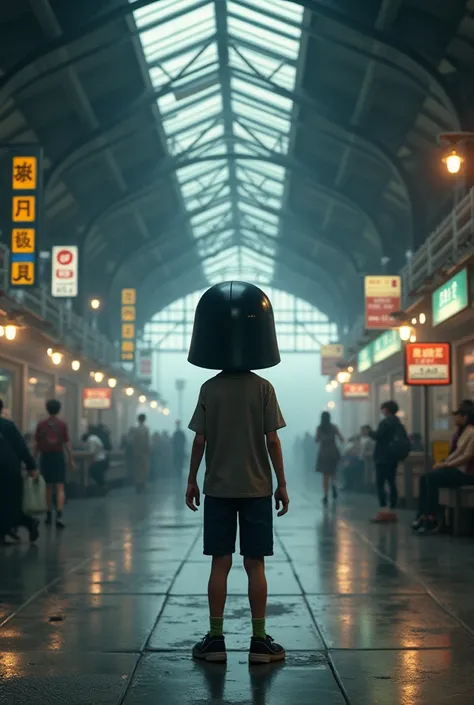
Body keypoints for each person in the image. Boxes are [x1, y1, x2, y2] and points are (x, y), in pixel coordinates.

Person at [186, 281, 289, 665]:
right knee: (255, 564)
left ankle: (215, 640)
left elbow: (200, 441)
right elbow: (273, 442)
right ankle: (260, 641)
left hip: (218, 488)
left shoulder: (209, 388)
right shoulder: (264, 388)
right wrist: (281, 484)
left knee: (220, 562)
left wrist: (192, 479)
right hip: (258, 489)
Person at [413, 401, 474, 535]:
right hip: (459, 470)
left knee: (431, 478)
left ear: (465, 417)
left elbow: (467, 455)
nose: (454, 418)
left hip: (467, 473)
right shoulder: (464, 432)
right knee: (425, 477)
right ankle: (423, 514)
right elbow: (457, 453)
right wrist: (444, 463)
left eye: (457, 415)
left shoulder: (471, 432)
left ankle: (430, 517)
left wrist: (445, 464)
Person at [0, 400, 40, 544]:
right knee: (10, 502)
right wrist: (31, 466)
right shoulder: (8, 426)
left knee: (5, 503)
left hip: (7, 470)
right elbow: (21, 447)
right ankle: (27, 523)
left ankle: (20, 526)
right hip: (10, 469)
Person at [35, 399, 74, 529]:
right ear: (59, 409)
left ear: (47, 409)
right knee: (59, 486)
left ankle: (48, 514)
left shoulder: (41, 424)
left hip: (45, 458)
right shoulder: (62, 425)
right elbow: (67, 443)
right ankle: (59, 514)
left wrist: (34, 459)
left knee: (48, 486)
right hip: (58, 457)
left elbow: (37, 444)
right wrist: (71, 459)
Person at [369, 400, 407, 524]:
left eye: (383, 408)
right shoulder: (398, 423)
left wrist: (369, 432)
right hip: (393, 457)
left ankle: (383, 511)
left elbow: (378, 436)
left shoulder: (385, 422)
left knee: (380, 483)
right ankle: (392, 511)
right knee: (392, 482)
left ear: (386, 410)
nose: (382, 411)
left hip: (382, 456)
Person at [316, 412, 343, 504]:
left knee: (325, 475)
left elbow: (316, 440)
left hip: (324, 452)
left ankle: (326, 495)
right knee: (333, 472)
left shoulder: (319, 428)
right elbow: (341, 438)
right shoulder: (334, 427)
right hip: (333, 451)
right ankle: (334, 485)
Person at [128, 414, 150, 493]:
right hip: (143, 453)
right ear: (144, 420)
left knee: (137, 469)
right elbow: (147, 442)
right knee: (144, 469)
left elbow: (130, 441)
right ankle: (142, 483)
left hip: (136, 453)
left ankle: (138, 484)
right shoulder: (146, 429)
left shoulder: (134, 429)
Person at [83, 426, 108, 491]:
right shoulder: (94, 437)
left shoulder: (90, 440)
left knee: (93, 471)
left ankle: (103, 486)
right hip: (103, 459)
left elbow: (91, 453)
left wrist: (91, 463)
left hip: (99, 460)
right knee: (97, 473)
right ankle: (102, 486)